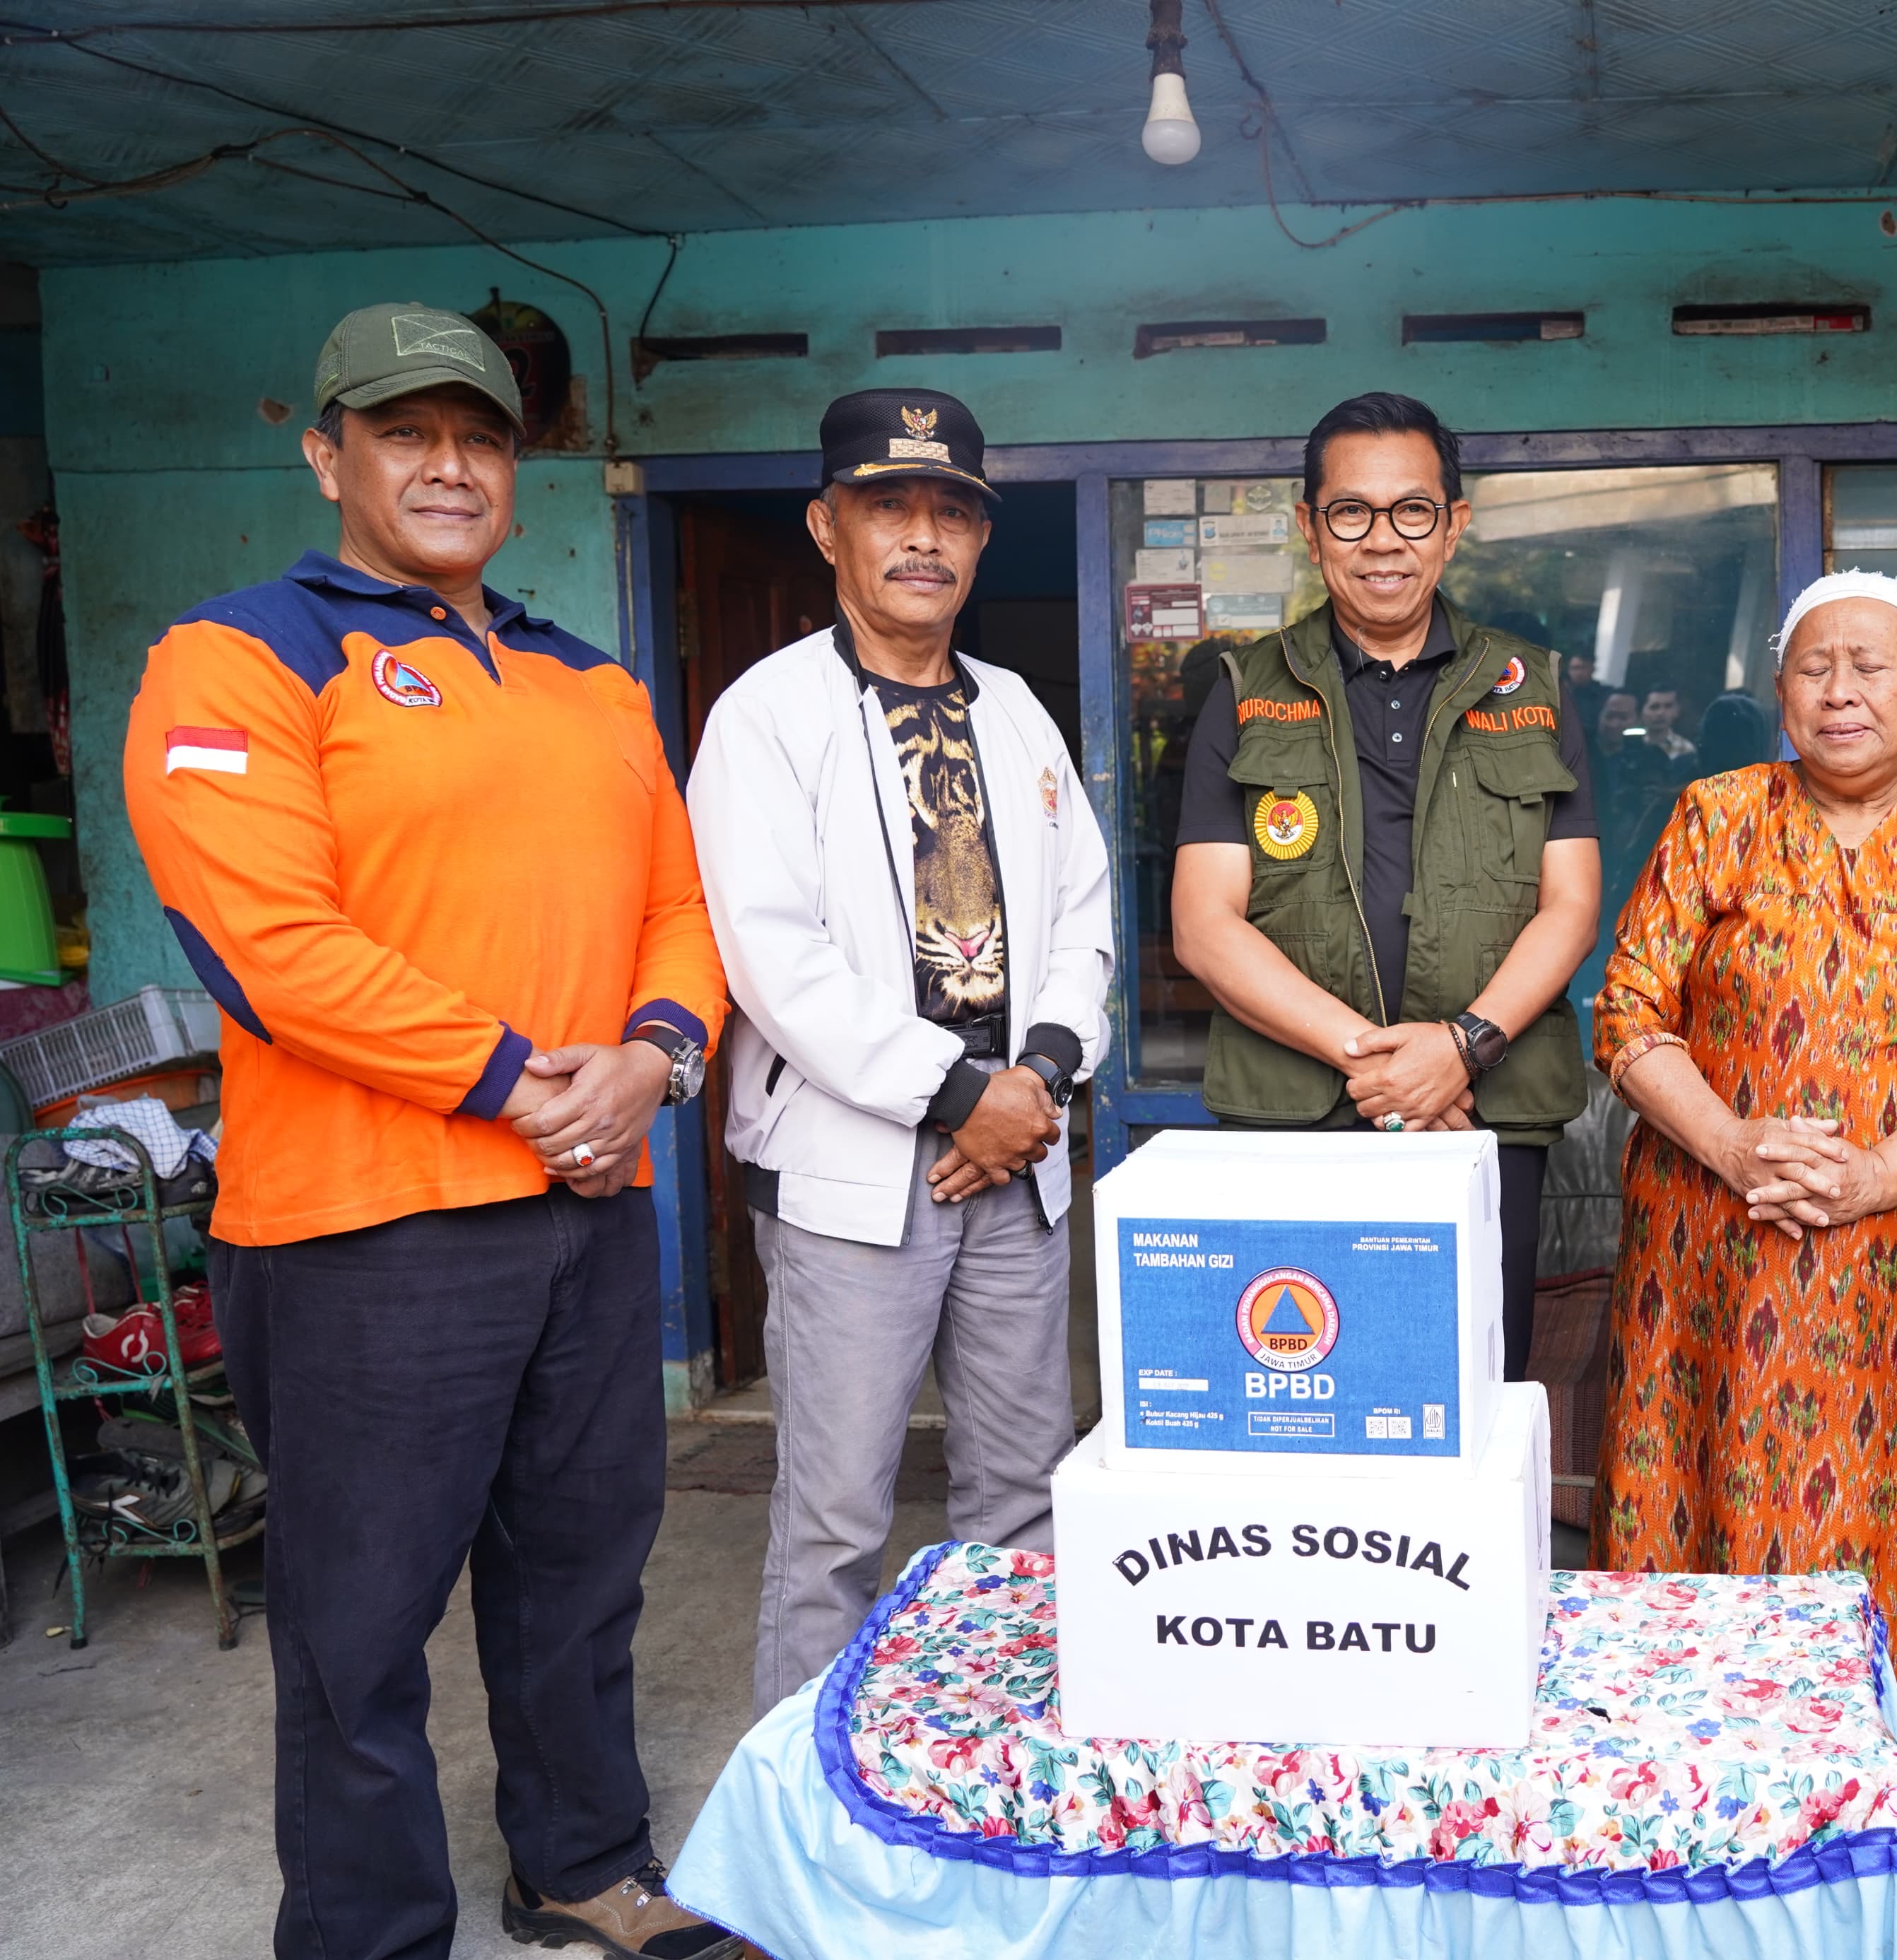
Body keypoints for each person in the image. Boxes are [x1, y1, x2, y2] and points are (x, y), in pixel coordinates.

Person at [124, 303, 739, 1960]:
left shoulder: (592, 680)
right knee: (360, 1622)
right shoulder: (235, 656)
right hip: (364, 1229)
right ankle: (367, 1931)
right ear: (328, 456)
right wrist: (535, 1085)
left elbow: (680, 911)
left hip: (587, 1214)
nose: (450, 466)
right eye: (405, 434)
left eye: (479, 438)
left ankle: (580, 1863)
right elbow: (275, 948)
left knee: (581, 1574)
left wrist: (655, 1059)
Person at [1590, 570, 1897, 1879]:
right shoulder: (1714, 815)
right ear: (1780, 688)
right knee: (1709, 1492)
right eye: (1813, 666)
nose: (1840, 690)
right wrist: (1735, 1143)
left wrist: (1876, 1178)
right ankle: (1704, 1821)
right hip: (1713, 1250)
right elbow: (1629, 1014)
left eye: (1871, 665)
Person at [686, 389, 1112, 1717]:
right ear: (829, 528)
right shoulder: (766, 715)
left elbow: (1085, 915)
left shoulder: (1018, 710)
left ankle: (994, 1770)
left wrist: (1034, 1077)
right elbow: (772, 956)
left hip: (1015, 1162)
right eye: (890, 507)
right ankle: (807, 1810)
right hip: (857, 1177)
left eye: (952, 512)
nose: (923, 537)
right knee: (835, 1520)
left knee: (1024, 1495)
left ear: (980, 539)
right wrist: (961, 1093)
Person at [1169, 391, 1598, 1375]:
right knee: (1303, 1377)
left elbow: (1572, 905)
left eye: (1412, 510)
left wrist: (1463, 1047)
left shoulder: (1533, 689)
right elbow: (1203, 924)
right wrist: (1389, 1068)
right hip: (1297, 1113)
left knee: (1476, 1384)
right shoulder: (1244, 692)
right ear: (1309, 527)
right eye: (1351, 512)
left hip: (1485, 1114)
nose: (1382, 540)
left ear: (1454, 524)